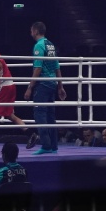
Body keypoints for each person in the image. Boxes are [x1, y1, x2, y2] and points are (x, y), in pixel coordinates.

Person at [23, 22, 66, 155]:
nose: (30, 32)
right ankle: (53, 146)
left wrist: (30, 87)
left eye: (31, 30)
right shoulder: (50, 44)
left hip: (42, 84)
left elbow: (38, 68)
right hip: (52, 83)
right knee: (50, 116)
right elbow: (56, 67)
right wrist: (60, 86)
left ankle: (46, 146)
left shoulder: (39, 45)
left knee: (40, 114)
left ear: (36, 31)